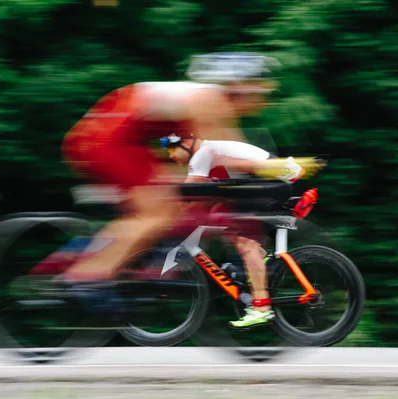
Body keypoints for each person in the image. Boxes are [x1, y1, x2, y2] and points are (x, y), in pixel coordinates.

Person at [59, 52, 283, 287]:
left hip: (118, 141)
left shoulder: (215, 105)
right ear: (242, 88)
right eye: (263, 93)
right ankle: (86, 277)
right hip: (107, 142)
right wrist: (271, 168)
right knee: (158, 212)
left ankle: (151, 255)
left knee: (189, 190)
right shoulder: (209, 101)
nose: (265, 101)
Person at [159, 133, 304, 328]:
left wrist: (155, 215)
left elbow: (186, 192)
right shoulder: (211, 155)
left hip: (271, 182)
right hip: (267, 182)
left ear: (186, 143)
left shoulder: (202, 154)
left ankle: (261, 308)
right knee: (219, 213)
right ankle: (260, 261)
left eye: (171, 149)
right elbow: (201, 200)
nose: (170, 156)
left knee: (246, 243)